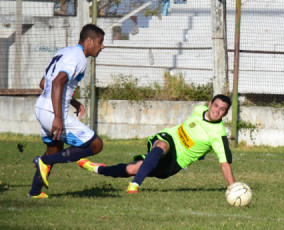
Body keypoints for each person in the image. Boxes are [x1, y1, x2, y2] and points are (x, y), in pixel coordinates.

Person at [78, 94, 236, 194]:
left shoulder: (218, 135)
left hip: (176, 161)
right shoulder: (199, 109)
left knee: (133, 168)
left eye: (222, 110)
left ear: (225, 113)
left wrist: (233, 189)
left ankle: (98, 169)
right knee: (161, 145)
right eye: (215, 106)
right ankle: (135, 185)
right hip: (169, 138)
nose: (217, 111)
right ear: (210, 104)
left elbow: (225, 164)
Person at [27, 24, 105, 198]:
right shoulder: (79, 58)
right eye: (100, 42)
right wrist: (58, 117)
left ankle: (34, 192)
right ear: (89, 41)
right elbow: (57, 83)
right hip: (52, 112)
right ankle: (43, 161)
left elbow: (43, 83)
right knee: (96, 144)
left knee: (54, 149)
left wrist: (74, 102)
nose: (102, 46)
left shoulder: (64, 52)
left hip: (41, 107)